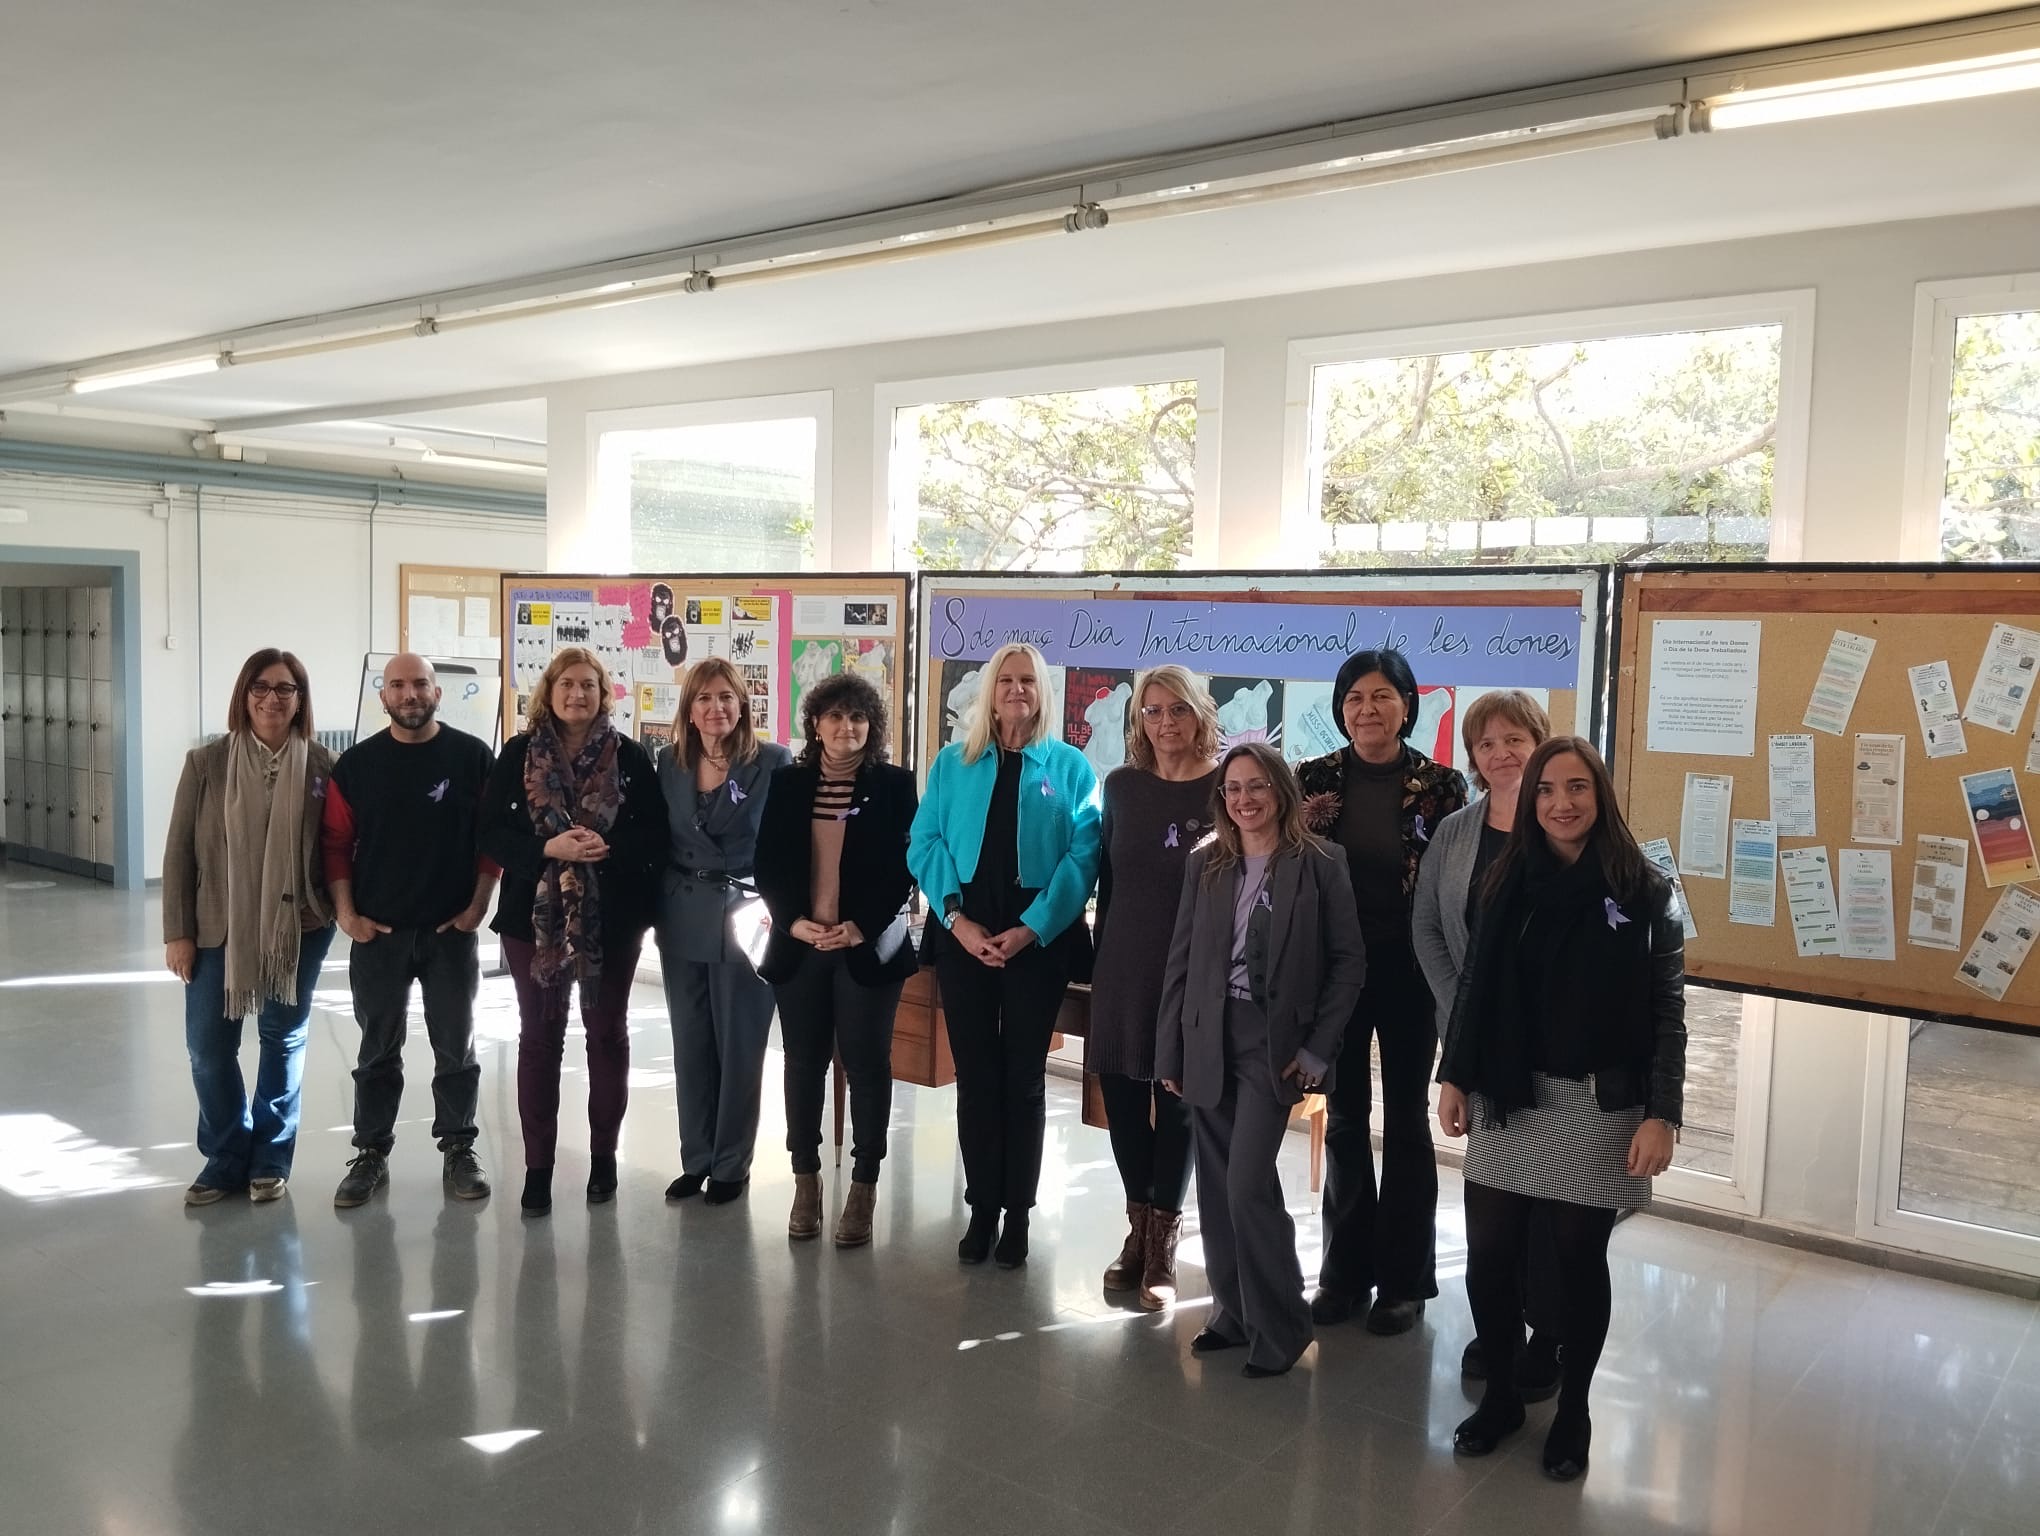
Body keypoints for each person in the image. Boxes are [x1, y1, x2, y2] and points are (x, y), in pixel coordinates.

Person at [1437, 736, 1685, 1481]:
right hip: (1510, 1093)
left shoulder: (1647, 890)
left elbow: (1668, 1011)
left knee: (1578, 1266)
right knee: (1489, 1259)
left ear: (1600, 796)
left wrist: (1661, 1114)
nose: (1561, 803)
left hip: (1599, 1102)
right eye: (1547, 790)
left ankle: (1573, 1406)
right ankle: (1506, 1396)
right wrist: (1454, 1076)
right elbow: (1476, 987)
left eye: (1577, 788)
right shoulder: (1506, 880)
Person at [1156, 743, 1366, 1377]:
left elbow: (1348, 964)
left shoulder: (1324, 863)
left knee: (1247, 1183)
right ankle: (1233, 1309)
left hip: (1273, 1047)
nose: (1244, 799)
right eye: (1232, 789)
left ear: (1281, 791)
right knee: (1217, 1186)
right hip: (1207, 1036)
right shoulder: (1206, 865)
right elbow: (1181, 961)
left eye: (1256, 787)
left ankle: (1281, 1322)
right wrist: (1171, 1046)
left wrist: (1316, 1049)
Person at [909, 641, 1101, 1269]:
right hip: (964, 938)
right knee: (976, 1077)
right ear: (990, 691)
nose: (1017, 690)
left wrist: (1031, 928)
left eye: (1029, 681)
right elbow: (925, 842)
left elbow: (1083, 857)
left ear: (1042, 692)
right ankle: (982, 1206)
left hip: (1036, 945)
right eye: (1007, 680)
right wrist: (957, 921)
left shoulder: (1070, 767)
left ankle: (1017, 1211)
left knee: (1022, 1081)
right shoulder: (952, 763)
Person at [1295, 647, 1467, 1334]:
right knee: (1341, 1121)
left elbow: (1451, 887)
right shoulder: (1311, 778)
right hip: (1335, 972)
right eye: (1354, 698)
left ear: (1406, 705)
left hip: (1410, 970)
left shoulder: (1442, 786)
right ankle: (1342, 1275)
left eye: (1381, 697)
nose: (1367, 709)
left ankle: (1404, 1280)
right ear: (1341, 708)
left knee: (1405, 1123)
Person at [1411, 689, 1562, 1389]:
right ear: (1471, 756)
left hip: (1559, 1052)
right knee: (1493, 1206)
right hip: (1479, 1046)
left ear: (1540, 742)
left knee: (1549, 1207)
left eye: (1514, 740)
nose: (1501, 754)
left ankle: (1547, 1337)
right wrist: (1461, 1022)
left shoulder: (1566, 823)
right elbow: (1430, 932)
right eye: (1486, 743)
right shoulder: (1456, 832)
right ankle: (1498, 1331)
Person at [480, 646, 663, 1216]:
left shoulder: (631, 757)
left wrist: (605, 847)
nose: (577, 694)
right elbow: (489, 831)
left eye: (589, 684)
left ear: (603, 692)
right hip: (532, 920)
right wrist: (547, 848)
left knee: (606, 1031)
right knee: (539, 1036)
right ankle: (539, 1170)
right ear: (549, 692)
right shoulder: (517, 754)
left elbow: (656, 835)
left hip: (613, 916)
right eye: (567, 684)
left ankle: (604, 1159)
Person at [322, 653, 498, 1208]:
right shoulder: (356, 766)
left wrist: (477, 907)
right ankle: (370, 1152)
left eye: (420, 683)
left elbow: (491, 840)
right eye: (398, 685)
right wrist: (346, 916)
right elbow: (333, 846)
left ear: (437, 693)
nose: (410, 694)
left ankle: (458, 1148)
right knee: (377, 1050)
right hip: (379, 933)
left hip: (450, 932)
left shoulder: (472, 758)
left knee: (457, 1047)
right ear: (383, 695)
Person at [163, 648, 337, 1205]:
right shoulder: (205, 764)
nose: (272, 699)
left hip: (298, 928)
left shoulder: (323, 767)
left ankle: (269, 1159)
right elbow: (179, 855)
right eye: (260, 688)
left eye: (285, 689)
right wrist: (178, 933)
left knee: (282, 1039)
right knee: (208, 1048)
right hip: (218, 928)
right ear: (244, 695)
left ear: (300, 700)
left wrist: (330, 907)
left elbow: (339, 848)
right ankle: (225, 1155)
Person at [753, 672, 919, 1246]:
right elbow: (768, 861)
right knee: (803, 1062)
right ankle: (806, 1181)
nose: (845, 727)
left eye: (857, 717)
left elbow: (906, 867)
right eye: (834, 716)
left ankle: (864, 1187)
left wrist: (859, 927)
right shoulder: (788, 783)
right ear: (815, 724)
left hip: (867, 947)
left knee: (867, 1063)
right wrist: (795, 920)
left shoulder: (896, 786)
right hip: (800, 947)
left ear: (870, 727)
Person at [1086, 664, 1220, 1308]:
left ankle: (1164, 1243)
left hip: (1195, 971)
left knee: (1179, 1104)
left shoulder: (1227, 786)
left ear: (1200, 713)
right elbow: (1107, 882)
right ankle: (1138, 1233)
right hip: (1124, 964)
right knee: (1121, 1097)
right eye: (1151, 710)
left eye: (1177, 709)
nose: (1165, 722)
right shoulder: (1121, 785)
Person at [655, 656, 793, 1206]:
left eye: (726, 698)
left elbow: (787, 846)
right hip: (682, 913)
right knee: (691, 1043)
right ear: (690, 709)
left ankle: (731, 1164)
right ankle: (697, 1158)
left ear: (743, 706)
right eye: (705, 698)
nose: (716, 708)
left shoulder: (775, 762)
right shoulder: (667, 762)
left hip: (748, 914)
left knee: (740, 1043)